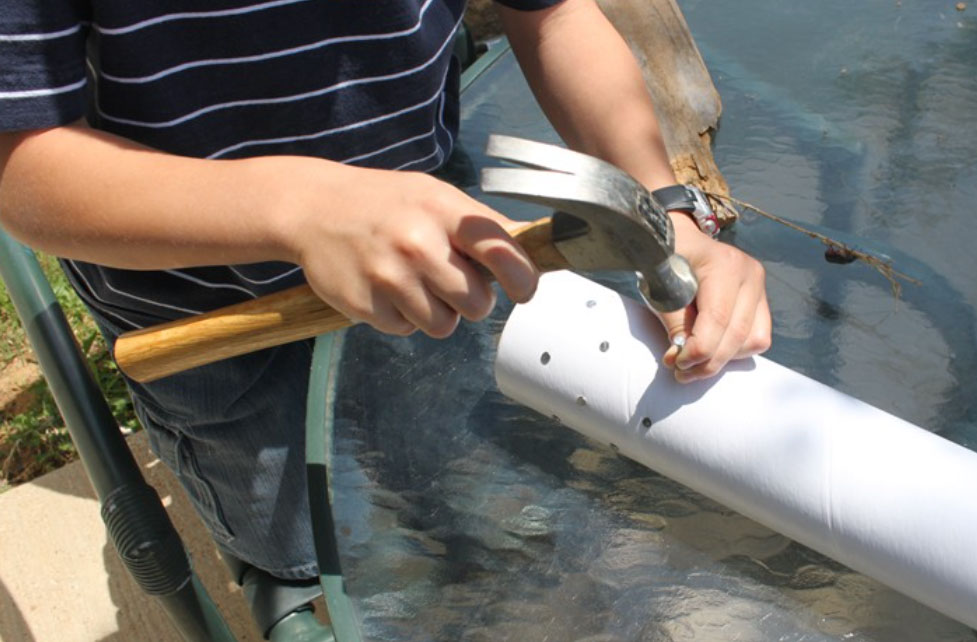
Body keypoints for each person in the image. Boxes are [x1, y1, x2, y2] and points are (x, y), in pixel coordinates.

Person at [0, 0, 770, 599]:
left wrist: (664, 210)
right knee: (341, 560)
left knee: (502, 503)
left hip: (436, 256)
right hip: (226, 332)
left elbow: (554, 12)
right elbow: (21, 165)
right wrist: (298, 207)